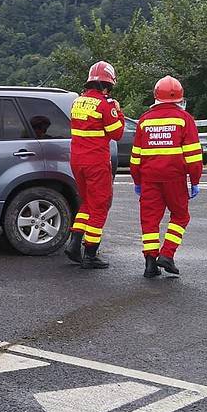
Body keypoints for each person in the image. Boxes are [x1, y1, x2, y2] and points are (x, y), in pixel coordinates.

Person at [130, 75, 203, 278]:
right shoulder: (184, 119)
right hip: (175, 177)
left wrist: (137, 181)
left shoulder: (144, 120)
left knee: (150, 220)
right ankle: (167, 254)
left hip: (149, 178)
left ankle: (150, 264)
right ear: (180, 98)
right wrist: (195, 180)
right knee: (181, 216)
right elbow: (193, 156)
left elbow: (136, 157)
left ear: (156, 96)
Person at [64, 61, 125, 269]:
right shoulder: (105, 104)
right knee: (100, 206)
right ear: (108, 85)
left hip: (77, 161)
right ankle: (90, 253)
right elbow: (117, 133)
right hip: (96, 163)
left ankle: (74, 244)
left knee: (87, 203)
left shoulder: (77, 102)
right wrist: (119, 111)